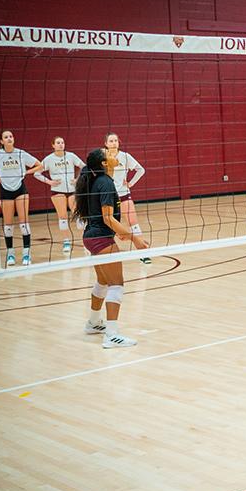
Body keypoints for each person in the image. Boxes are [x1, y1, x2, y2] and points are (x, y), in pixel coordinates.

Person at [73, 148, 149, 348]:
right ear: (105, 164)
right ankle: (112, 335)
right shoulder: (105, 183)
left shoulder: (98, 181)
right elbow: (107, 219)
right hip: (100, 239)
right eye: (109, 155)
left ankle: (93, 322)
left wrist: (122, 233)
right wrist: (135, 238)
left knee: (103, 281)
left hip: (92, 237)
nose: (114, 155)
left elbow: (105, 218)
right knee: (116, 284)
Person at [0, 130, 43, 266]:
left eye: (11, 136)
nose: (9, 139)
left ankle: (26, 254)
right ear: (1, 141)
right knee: (8, 224)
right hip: (5, 191)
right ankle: (10, 254)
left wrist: (26, 172)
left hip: (21, 190)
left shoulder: (20, 153)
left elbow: (40, 165)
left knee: (24, 223)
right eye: (6, 137)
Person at [103, 132, 150, 263]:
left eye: (115, 141)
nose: (113, 143)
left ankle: (143, 252)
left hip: (124, 194)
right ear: (106, 144)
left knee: (133, 223)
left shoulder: (125, 156)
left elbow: (141, 170)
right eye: (111, 141)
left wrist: (131, 183)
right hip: (108, 197)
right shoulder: (102, 157)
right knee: (110, 226)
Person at [36, 136, 85, 254]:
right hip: (57, 190)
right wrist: (49, 182)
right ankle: (66, 241)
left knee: (78, 215)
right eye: (58, 143)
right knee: (62, 217)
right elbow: (36, 173)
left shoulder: (71, 156)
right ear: (53, 145)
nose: (61, 145)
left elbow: (84, 167)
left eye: (62, 142)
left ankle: (85, 241)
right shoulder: (49, 159)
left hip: (72, 190)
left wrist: (78, 179)